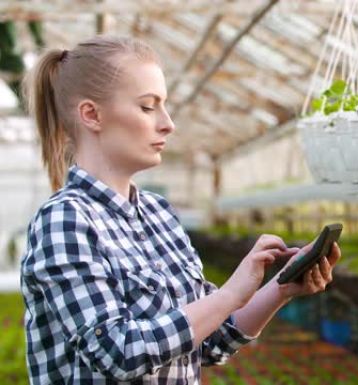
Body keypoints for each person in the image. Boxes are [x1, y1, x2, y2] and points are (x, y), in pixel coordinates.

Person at [19, 35, 341, 384]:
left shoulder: (159, 216)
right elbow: (117, 353)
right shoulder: (65, 221)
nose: (168, 123)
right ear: (92, 115)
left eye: (164, 105)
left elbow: (210, 341)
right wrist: (231, 294)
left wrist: (278, 287)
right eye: (147, 106)